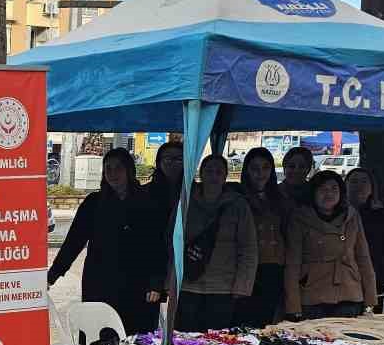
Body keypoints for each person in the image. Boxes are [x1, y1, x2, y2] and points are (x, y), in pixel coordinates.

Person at [46, 148, 160, 333]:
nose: (113, 173)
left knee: (136, 339)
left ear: (129, 170)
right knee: (99, 336)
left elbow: (157, 245)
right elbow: (73, 242)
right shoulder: (94, 203)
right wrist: (52, 275)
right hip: (101, 282)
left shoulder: (147, 201)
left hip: (138, 283)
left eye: (118, 168)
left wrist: (156, 281)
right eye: (108, 168)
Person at [174, 154, 256, 331]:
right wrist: (169, 282)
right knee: (185, 339)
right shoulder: (186, 201)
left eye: (219, 172)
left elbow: (248, 248)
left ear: (225, 176)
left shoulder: (238, 205)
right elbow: (173, 242)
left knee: (216, 339)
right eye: (209, 171)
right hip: (188, 285)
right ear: (200, 174)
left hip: (222, 287)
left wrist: (242, 286)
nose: (213, 176)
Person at [284, 171, 378, 321]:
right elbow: (293, 264)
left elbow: (363, 258)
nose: (329, 194)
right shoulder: (300, 218)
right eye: (323, 189)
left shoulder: (351, 216)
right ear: (313, 192)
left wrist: (370, 300)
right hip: (313, 294)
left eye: (334, 188)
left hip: (349, 293)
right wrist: (293, 306)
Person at [235, 147, 288, 328]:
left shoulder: (280, 198)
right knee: (243, 322)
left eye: (266, 167)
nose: (260, 173)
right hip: (245, 268)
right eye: (255, 168)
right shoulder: (238, 197)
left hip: (273, 267)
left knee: (265, 322)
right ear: (247, 171)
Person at [346, 167, 384, 312]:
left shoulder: (383, 216)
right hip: (343, 281)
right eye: (354, 181)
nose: (359, 185)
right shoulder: (338, 214)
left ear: (372, 187)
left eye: (364, 181)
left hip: (376, 280)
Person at [146, 140, 185, 217]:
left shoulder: (194, 192)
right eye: (167, 159)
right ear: (159, 162)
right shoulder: (145, 192)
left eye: (179, 159)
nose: (173, 163)